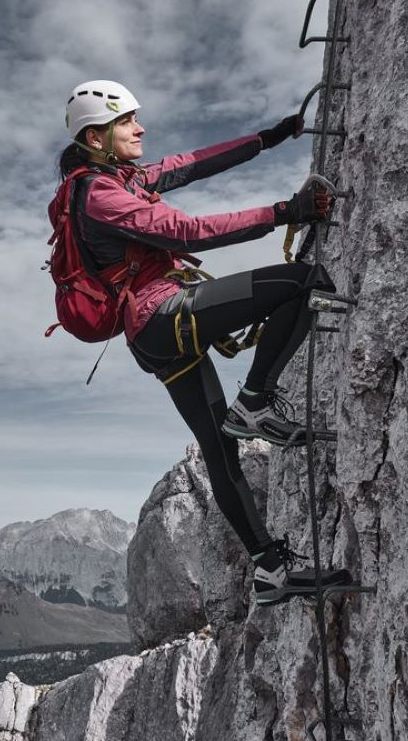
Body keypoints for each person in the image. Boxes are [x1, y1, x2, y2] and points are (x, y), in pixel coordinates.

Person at [55, 80, 345, 605]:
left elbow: (194, 162)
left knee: (220, 447)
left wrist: (269, 138)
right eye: (127, 122)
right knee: (303, 282)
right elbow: (186, 232)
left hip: (153, 335)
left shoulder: (125, 177)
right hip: (161, 316)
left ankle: (269, 571)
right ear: (96, 138)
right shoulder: (100, 195)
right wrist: (286, 211)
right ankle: (255, 401)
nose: (140, 128)